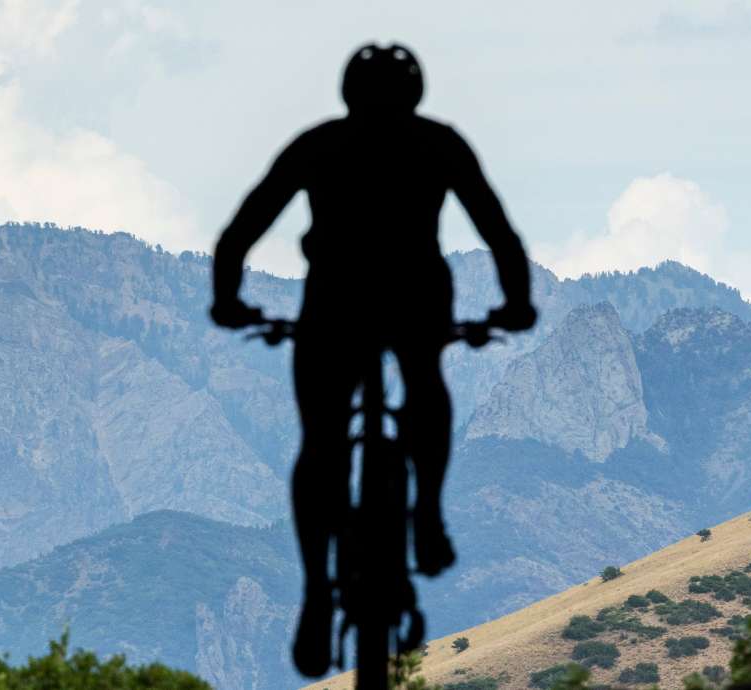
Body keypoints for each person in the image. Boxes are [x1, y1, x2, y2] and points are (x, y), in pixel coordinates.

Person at [210, 42, 537, 677]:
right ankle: (428, 515)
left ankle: (316, 593)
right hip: (416, 299)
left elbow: (243, 227)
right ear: (415, 92)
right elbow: (498, 230)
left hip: (334, 303)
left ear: (348, 92)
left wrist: (228, 300)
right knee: (425, 383)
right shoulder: (438, 143)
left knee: (321, 442)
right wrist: (516, 304)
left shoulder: (320, 144)